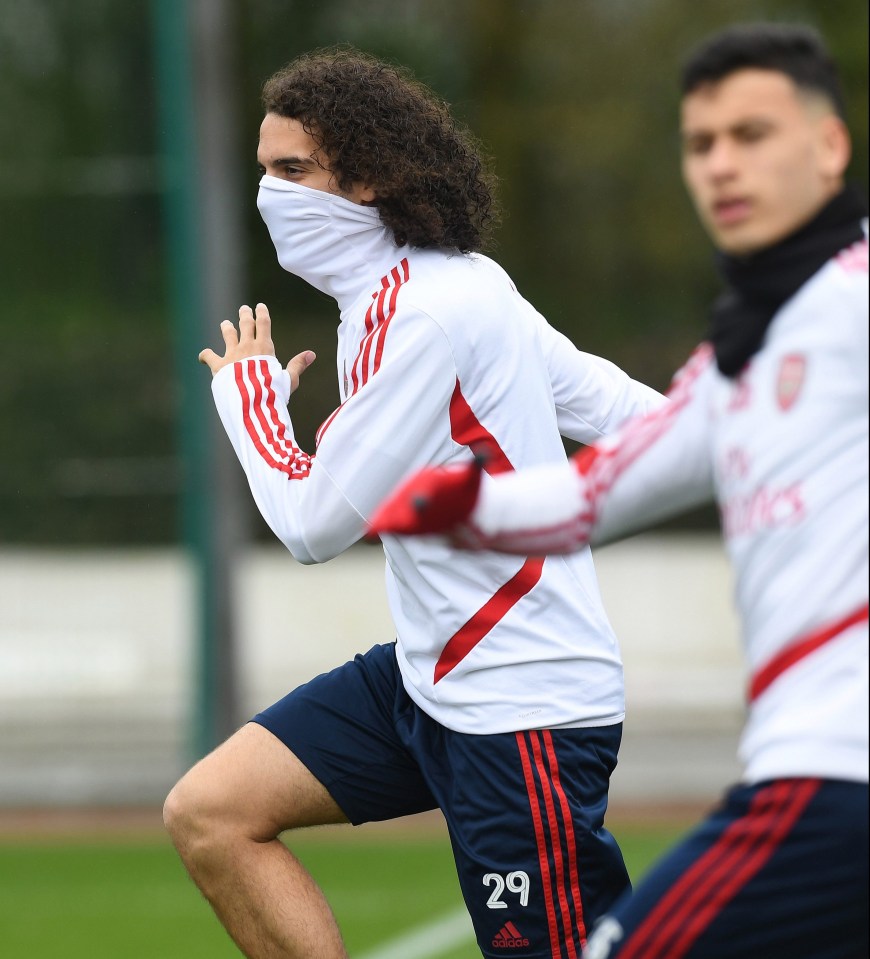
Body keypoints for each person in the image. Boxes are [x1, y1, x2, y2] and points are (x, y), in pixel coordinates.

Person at [370, 22, 869, 959]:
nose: (722, 163)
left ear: (830, 146)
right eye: (700, 143)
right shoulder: (741, 355)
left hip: (835, 777)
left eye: (752, 135)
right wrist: (454, 510)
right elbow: (597, 491)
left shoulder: (855, 293)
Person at [162, 47, 666, 959]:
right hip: (429, 682)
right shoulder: (433, 287)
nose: (270, 195)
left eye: (292, 171)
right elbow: (618, 405)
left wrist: (250, 404)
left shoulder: (429, 311)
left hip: (521, 710)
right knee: (211, 812)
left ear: (369, 179)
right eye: (263, 170)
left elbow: (314, 525)